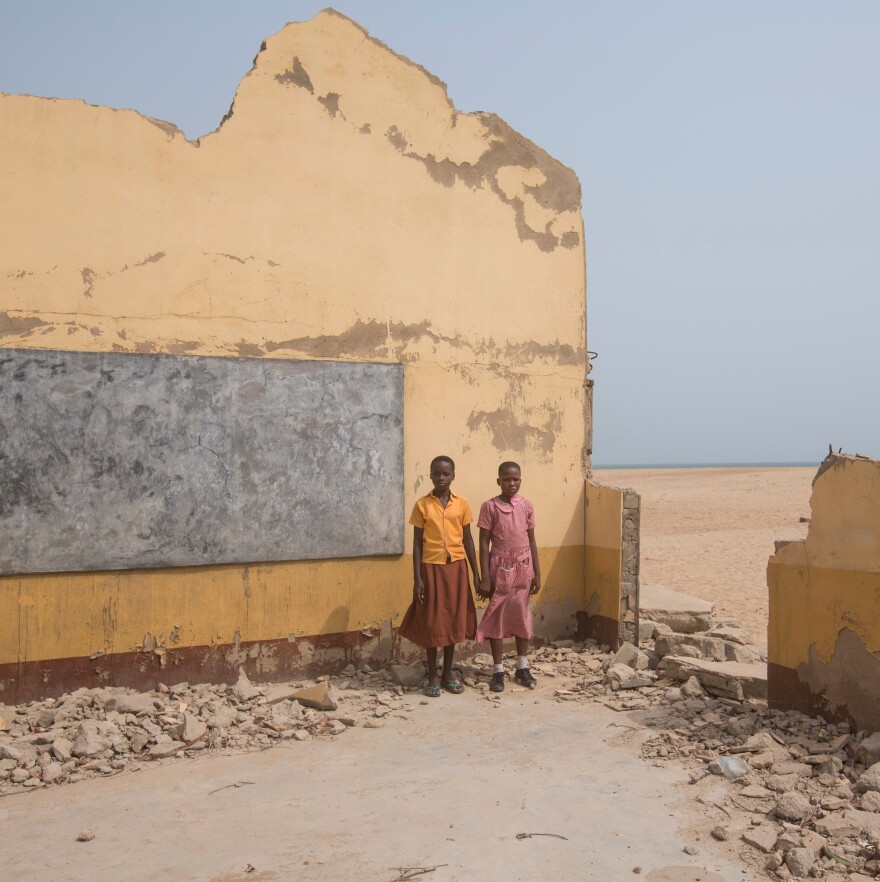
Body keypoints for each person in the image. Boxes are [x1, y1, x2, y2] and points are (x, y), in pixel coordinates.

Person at [399, 455, 479, 697]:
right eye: (437, 473)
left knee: (453, 621)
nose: (441, 477)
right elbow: (416, 544)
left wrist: (477, 575)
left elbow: (467, 539)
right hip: (431, 568)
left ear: (453, 475)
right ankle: (433, 674)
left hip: (456, 568)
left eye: (446, 473)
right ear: (430, 475)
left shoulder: (462, 503)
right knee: (433, 622)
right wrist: (417, 579)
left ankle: (447, 674)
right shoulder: (422, 505)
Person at [476, 461, 541, 692]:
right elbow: (483, 542)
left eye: (515, 479)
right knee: (497, 616)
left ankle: (522, 667)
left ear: (520, 480)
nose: (511, 483)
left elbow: (531, 540)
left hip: (524, 567)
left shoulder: (527, 506)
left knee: (522, 616)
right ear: (498, 481)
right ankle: (498, 670)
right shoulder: (490, 507)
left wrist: (537, 573)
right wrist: (485, 577)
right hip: (499, 568)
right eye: (506, 479)